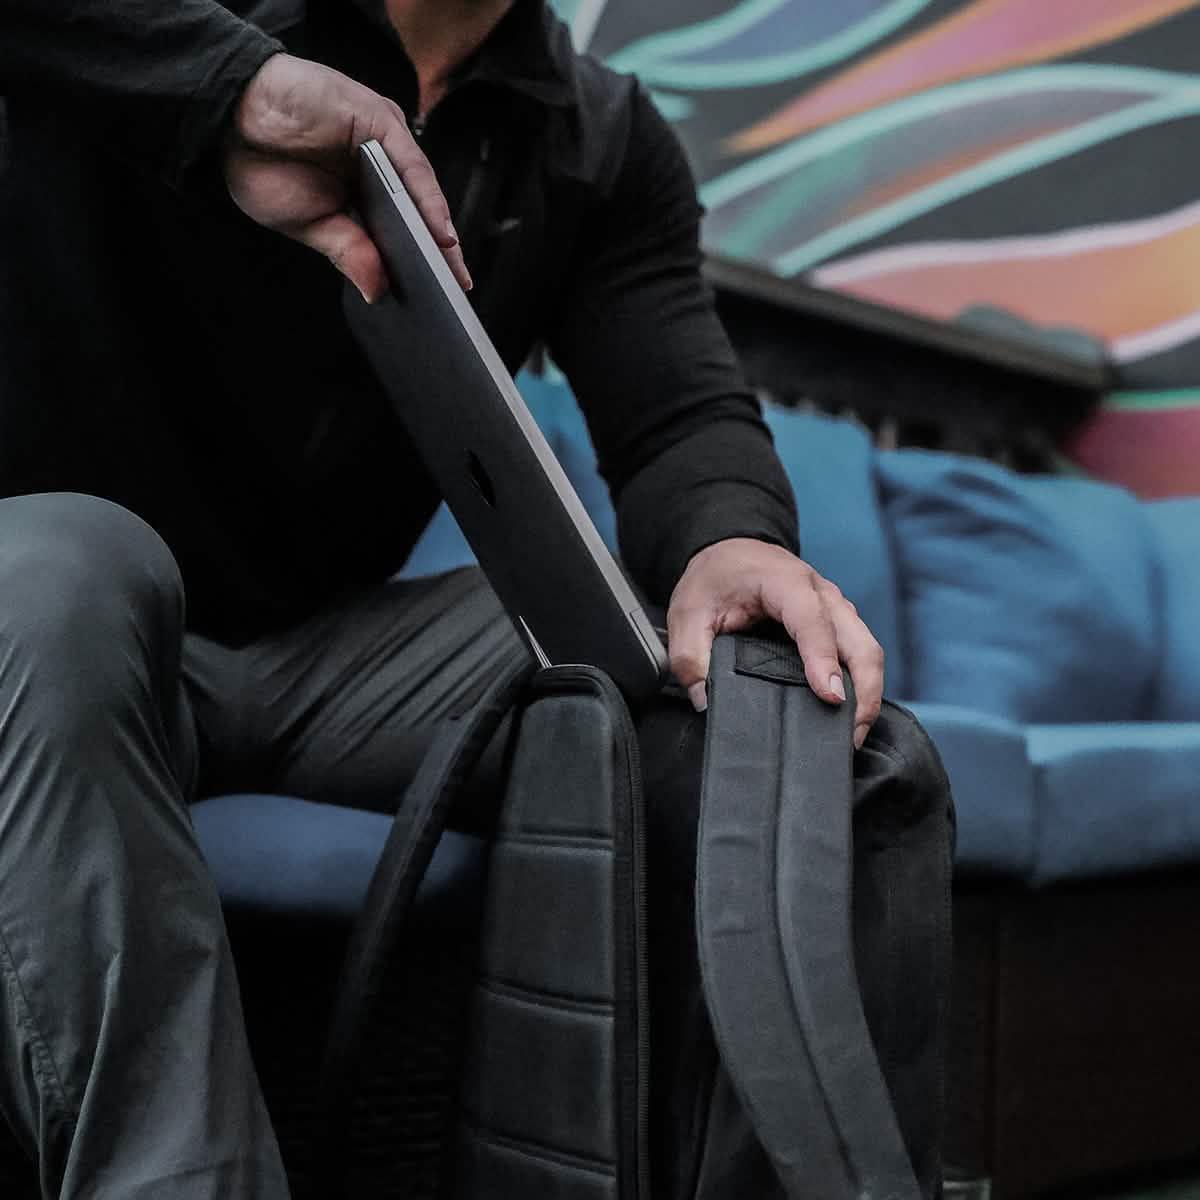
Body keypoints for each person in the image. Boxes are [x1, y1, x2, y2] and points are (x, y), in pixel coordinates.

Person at [0, 1, 949, 1197]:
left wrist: (731, 538)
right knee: (46, 579)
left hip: (327, 647)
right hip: (60, 608)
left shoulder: (595, 136)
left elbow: (677, 415)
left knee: (781, 711)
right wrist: (230, 85)